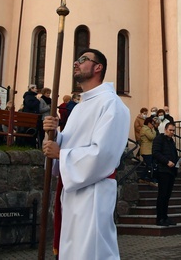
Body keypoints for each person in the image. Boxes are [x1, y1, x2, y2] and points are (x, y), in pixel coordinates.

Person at [41, 49, 129, 259]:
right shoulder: (80, 107)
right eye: (76, 59)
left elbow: (103, 154)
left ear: (98, 67)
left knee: (92, 252)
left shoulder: (112, 104)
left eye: (83, 60)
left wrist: (62, 154)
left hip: (93, 194)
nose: (76, 63)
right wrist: (52, 133)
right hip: (73, 193)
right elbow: (67, 145)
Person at [152, 121, 179, 226]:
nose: (172, 132)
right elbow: (155, 153)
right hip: (163, 170)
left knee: (167, 195)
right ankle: (160, 218)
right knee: (162, 195)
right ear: (165, 130)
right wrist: (167, 162)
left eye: (173, 130)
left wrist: (176, 162)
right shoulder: (159, 139)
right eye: (170, 130)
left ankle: (165, 216)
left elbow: (173, 154)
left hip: (171, 171)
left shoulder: (171, 141)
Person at [138, 116, 157, 185]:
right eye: (152, 124)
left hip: (148, 150)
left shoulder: (146, 129)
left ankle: (142, 178)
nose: (153, 125)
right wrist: (153, 130)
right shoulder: (146, 129)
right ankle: (150, 179)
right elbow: (151, 137)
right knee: (150, 165)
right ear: (148, 123)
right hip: (146, 151)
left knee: (149, 165)